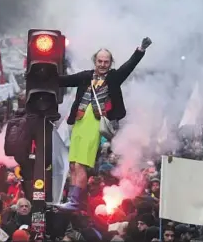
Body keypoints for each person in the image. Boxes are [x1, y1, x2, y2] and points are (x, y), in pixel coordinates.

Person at [56, 37, 152, 211]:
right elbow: (64, 80)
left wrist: (140, 50)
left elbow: (128, 66)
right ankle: (71, 199)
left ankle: (75, 202)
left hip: (95, 123)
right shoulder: (86, 76)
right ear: (95, 61)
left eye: (106, 62)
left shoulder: (114, 77)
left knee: (80, 164)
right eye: (100, 61)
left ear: (110, 63)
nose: (102, 64)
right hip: (78, 122)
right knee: (73, 165)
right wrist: (39, 74)